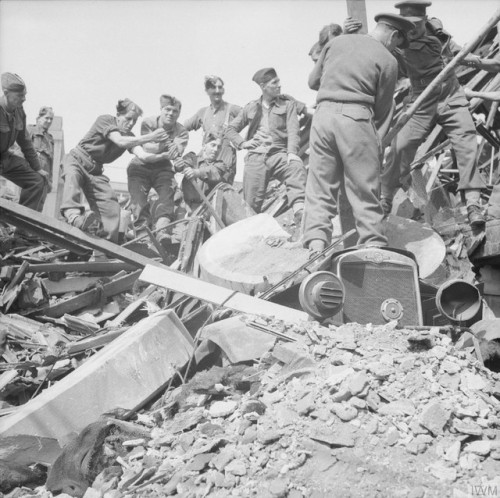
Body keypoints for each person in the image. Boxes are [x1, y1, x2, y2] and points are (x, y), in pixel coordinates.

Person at [303, 13, 416, 256]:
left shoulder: (336, 42)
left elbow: (313, 81)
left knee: (320, 185)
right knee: (364, 186)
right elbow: (383, 108)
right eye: (397, 43)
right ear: (394, 35)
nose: (396, 48)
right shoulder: (388, 60)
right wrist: (374, 141)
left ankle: (316, 244)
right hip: (356, 119)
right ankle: (373, 242)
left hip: (322, 117)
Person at [372, 0, 486, 228]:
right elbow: (375, 55)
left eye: (416, 24)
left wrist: (474, 60)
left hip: (450, 94)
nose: (411, 30)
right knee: (401, 145)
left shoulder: (439, 35)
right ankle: (385, 198)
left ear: (425, 19)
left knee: (466, 141)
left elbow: (460, 54)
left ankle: (473, 203)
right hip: (421, 98)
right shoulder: (398, 42)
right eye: (407, 26)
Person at [61, 99, 169, 243]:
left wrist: (164, 154)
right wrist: (150, 137)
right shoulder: (105, 120)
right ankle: (74, 217)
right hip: (77, 160)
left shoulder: (129, 136)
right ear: (118, 115)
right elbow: (119, 141)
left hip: (95, 172)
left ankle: (106, 243)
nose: (131, 123)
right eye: (128, 119)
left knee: (111, 204)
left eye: (134, 121)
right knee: (73, 178)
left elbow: (143, 155)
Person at [226, 67, 307, 224]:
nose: (279, 85)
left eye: (278, 81)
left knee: (296, 168)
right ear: (263, 86)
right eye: (274, 82)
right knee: (250, 203)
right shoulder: (251, 107)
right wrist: (243, 143)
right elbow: (230, 129)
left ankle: (299, 211)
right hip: (256, 158)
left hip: (279, 154)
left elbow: (293, 130)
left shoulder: (287, 104)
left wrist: (292, 153)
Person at [127, 94, 188, 240]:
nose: (171, 114)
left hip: (163, 168)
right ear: (161, 109)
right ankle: (142, 236)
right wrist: (166, 144)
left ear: (179, 113)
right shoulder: (148, 122)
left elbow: (177, 151)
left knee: (167, 198)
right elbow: (148, 148)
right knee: (138, 201)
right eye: (167, 109)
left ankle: (162, 233)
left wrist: (167, 146)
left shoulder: (182, 131)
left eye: (175, 111)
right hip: (140, 166)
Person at [0, 73, 48, 216]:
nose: (24, 99)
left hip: (4, 158)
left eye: (24, 95)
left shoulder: (19, 112)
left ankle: (23, 232)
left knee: (37, 181)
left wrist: (38, 168)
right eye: (19, 95)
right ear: (6, 93)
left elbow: (25, 142)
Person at [183, 76, 241, 185]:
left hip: (225, 160)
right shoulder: (203, 112)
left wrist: (242, 141)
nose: (217, 91)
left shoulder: (232, 109)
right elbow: (182, 128)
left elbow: (253, 118)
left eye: (220, 87)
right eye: (213, 88)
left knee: (221, 193)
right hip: (206, 162)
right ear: (207, 91)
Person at [178, 133, 231, 213]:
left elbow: (213, 172)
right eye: (213, 145)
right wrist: (178, 164)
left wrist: (196, 172)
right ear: (204, 145)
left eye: (219, 147)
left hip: (205, 210)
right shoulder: (191, 158)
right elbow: (180, 166)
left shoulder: (221, 165)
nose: (216, 149)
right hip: (184, 206)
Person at [28, 106, 55, 191]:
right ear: (39, 118)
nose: (49, 121)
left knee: (40, 202)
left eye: (51, 119)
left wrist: (50, 181)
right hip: (31, 174)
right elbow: (20, 150)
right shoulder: (30, 129)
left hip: (45, 178)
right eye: (46, 118)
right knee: (27, 201)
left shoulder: (50, 138)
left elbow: (50, 161)